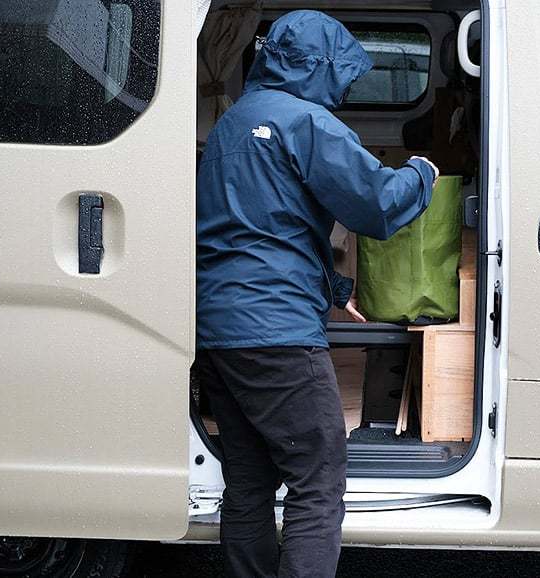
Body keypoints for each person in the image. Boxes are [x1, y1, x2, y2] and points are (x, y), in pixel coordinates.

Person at [195, 10, 439, 578]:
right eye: (344, 74)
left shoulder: (233, 123)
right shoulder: (307, 122)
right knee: (318, 479)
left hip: (218, 328)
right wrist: (422, 174)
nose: (347, 88)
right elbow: (376, 204)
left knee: (250, 482)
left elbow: (258, 226)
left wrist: (335, 287)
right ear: (320, 67)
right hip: (277, 333)